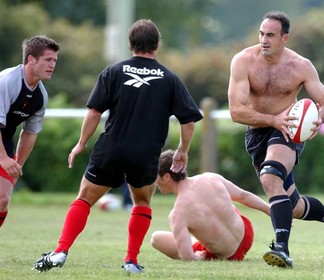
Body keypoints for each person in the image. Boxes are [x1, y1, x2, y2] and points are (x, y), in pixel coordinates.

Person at [32, 19, 203, 274]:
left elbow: (93, 112)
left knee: (85, 199)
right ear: (157, 44)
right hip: (145, 153)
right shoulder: (169, 78)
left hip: (111, 148)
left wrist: (81, 144)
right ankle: (131, 261)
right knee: (142, 203)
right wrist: (182, 151)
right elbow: (188, 121)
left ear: (131, 44)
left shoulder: (113, 71)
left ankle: (60, 251)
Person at [227, 11, 324, 268]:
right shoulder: (243, 61)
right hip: (258, 131)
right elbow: (236, 112)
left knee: (271, 177)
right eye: (261, 34)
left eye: (270, 35)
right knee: (291, 205)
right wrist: (272, 120)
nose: (264, 40)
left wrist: (319, 120)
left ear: (285, 38)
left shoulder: (301, 66)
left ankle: (281, 248)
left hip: (288, 131)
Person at [151, 149, 270, 261]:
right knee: (219, 201)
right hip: (247, 234)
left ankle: (199, 240)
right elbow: (244, 196)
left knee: (156, 238)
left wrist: (200, 257)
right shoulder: (210, 178)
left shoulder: (177, 214)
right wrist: (271, 210)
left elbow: (188, 258)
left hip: (230, 255)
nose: (154, 181)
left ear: (166, 177)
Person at [0, 35, 60, 229]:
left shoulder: (40, 96)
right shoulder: (6, 82)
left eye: (55, 61)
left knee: (2, 199)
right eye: (48, 60)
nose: (52, 65)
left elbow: (30, 133)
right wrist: (3, 158)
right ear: (31, 59)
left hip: (4, 139)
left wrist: (16, 165)